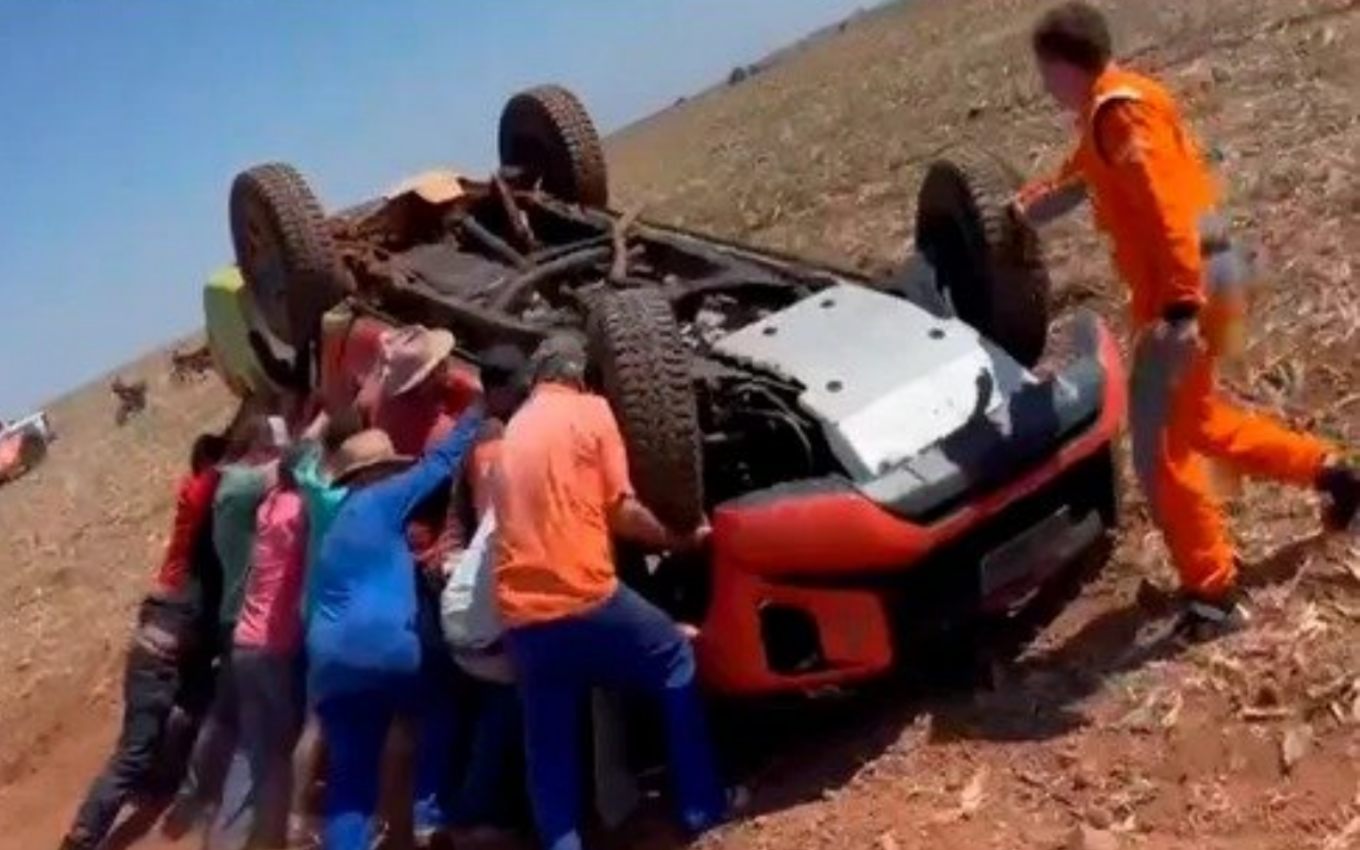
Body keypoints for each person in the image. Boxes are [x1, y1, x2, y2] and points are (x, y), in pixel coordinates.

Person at [1013, 2, 1360, 637]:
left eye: (1045, 74)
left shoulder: (1120, 114)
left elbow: (1168, 210)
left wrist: (1179, 307)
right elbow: (1076, 180)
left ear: (1066, 66)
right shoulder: (1114, 107)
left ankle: (1214, 594)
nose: (1043, 88)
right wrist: (1014, 212)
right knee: (1199, 423)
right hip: (1214, 272)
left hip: (1187, 291)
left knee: (1159, 452)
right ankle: (1332, 471)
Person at [493, 334, 725, 850]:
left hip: (521, 615)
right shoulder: (591, 410)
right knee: (673, 659)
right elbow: (621, 510)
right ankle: (702, 809)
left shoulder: (512, 432)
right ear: (580, 376)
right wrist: (682, 538)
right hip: (585, 594)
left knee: (550, 746)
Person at [305, 406, 484, 850]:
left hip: (328, 662)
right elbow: (440, 465)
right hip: (382, 650)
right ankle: (423, 816)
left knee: (349, 785)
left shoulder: (337, 523)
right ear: (381, 470)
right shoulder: (383, 498)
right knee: (435, 709)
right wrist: (480, 410)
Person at [60, 433, 228, 850]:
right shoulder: (201, 507)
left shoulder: (197, 534)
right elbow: (214, 478)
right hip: (166, 645)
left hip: (165, 637)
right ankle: (81, 838)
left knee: (194, 703)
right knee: (133, 752)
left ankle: (163, 781)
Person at [165, 414, 286, 835]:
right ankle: (233, 827)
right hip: (246, 620)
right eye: (272, 449)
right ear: (259, 450)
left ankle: (198, 801)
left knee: (226, 716)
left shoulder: (225, 485)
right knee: (249, 727)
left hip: (231, 618)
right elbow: (287, 467)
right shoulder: (239, 486)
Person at [436, 344, 532, 843]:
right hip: (491, 604)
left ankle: (476, 814)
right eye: (518, 385)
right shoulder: (496, 441)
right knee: (508, 710)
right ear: (497, 391)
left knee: (491, 714)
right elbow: (508, 526)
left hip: (470, 599)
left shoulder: (474, 434)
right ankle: (481, 819)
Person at [207, 444, 311, 850]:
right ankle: (273, 838)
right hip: (272, 647)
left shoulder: (267, 508)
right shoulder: (298, 513)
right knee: (279, 753)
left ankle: (228, 839)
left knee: (251, 748)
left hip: (245, 641)